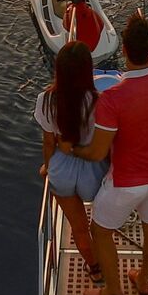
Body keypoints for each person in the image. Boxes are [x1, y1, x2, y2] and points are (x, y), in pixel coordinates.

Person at [60, 12, 148, 295]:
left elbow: (97, 153)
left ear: (124, 50)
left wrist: (72, 151)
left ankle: (113, 292)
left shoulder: (113, 99)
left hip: (124, 183)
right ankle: (143, 277)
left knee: (101, 230)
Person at [35, 41, 109, 275]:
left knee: (78, 227)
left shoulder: (46, 100)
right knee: (100, 225)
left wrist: (48, 167)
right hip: (94, 169)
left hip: (62, 170)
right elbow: (106, 141)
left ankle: (95, 268)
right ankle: (109, 263)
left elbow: (49, 143)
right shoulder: (99, 101)